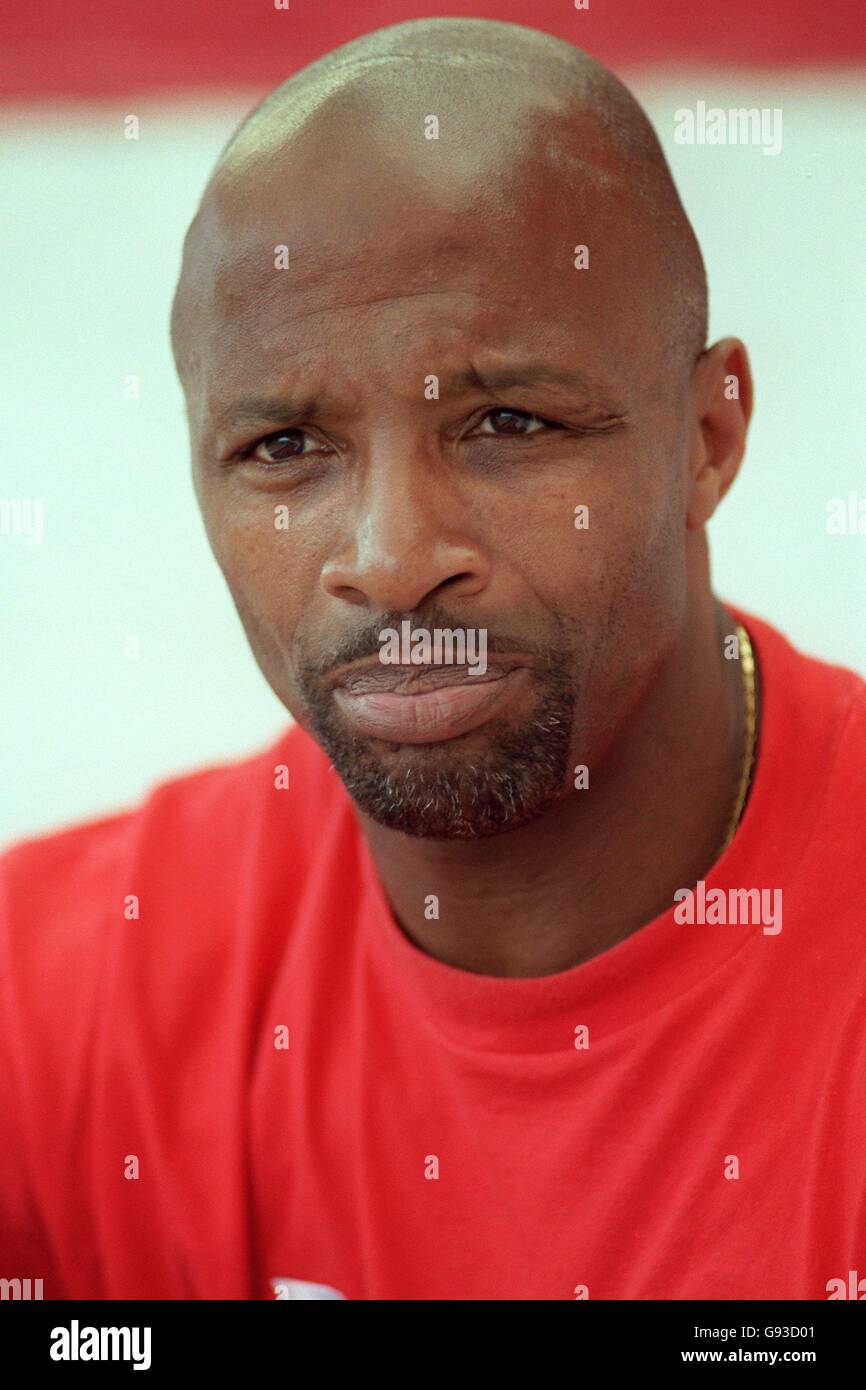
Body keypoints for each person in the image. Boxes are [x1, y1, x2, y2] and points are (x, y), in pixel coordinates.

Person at [1, 18, 864, 1301]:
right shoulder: (55, 1003)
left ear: (705, 437)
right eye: (284, 448)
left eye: (506, 421)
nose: (393, 558)